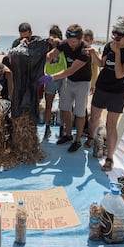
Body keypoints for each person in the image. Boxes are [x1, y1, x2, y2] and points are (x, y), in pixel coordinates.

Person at [86, 17, 124, 171]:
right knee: (94, 117)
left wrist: (117, 53)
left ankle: (109, 158)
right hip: (102, 87)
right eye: (114, 36)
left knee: (111, 124)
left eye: (119, 38)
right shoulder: (109, 46)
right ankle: (93, 137)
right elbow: (102, 64)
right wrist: (93, 54)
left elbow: (120, 73)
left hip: (117, 91)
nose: (116, 40)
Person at [38, 24, 91, 152]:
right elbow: (51, 55)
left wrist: (51, 78)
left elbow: (70, 70)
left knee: (79, 112)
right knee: (64, 108)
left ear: (80, 39)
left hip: (82, 82)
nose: (71, 45)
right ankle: (68, 135)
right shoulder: (65, 44)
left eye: (74, 42)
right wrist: (36, 62)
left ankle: (77, 140)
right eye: (69, 41)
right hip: (69, 81)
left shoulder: (85, 50)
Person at [42, 25, 65, 140]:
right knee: (48, 105)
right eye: (51, 36)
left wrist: (58, 43)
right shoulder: (46, 48)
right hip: (49, 78)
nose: (52, 39)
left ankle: (62, 128)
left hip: (62, 78)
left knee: (63, 105)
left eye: (55, 36)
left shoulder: (63, 47)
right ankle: (47, 128)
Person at [82, 29, 100, 147]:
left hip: (88, 82)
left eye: (88, 40)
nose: (86, 42)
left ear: (92, 41)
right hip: (79, 81)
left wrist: (93, 85)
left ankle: (86, 129)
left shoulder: (94, 52)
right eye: (84, 40)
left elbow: (95, 70)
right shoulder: (81, 51)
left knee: (84, 106)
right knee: (80, 106)